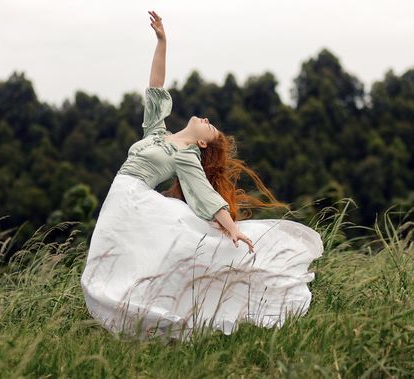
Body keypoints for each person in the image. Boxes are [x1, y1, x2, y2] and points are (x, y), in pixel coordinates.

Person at [81, 10, 324, 340]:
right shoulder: (156, 133)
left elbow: (204, 196)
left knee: (116, 275)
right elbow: (155, 86)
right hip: (121, 201)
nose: (206, 118)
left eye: (210, 127)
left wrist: (232, 229)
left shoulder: (186, 154)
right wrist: (162, 41)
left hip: (134, 201)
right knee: (113, 271)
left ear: (201, 142)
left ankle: (166, 317)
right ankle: (138, 318)